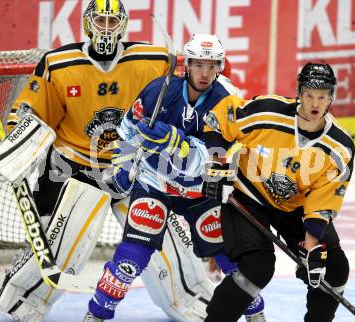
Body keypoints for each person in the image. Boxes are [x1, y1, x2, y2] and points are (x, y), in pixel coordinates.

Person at [0, 1, 170, 321]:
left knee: (165, 242)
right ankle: (23, 299)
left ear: (123, 24)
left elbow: (179, 96)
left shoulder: (154, 60)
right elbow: (31, 110)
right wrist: (17, 136)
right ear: (88, 24)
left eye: (112, 20)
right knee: (62, 246)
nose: (106, 27)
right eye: (100, 20)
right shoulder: (59, 63)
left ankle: (189, 299)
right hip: (74, 167)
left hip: (131, 166)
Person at [83, 34, 266, 322]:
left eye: (212, 66)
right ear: (187, 65)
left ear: (220, 67)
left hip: (200, 191)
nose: (205, 73)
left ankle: (256, 314)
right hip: (155, 183)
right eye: (199, 65)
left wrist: (174, 142)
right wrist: (124, 162)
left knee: (229, 255)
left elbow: (215, 155)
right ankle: (96, 315)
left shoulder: (227, 102)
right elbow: (128, 131)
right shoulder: (158, 91)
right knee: (132, 256)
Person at [200, 62, 354, 322]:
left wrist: (311, 248)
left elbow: (322, 200)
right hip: (248, 196)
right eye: (309, 95)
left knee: (334, 268)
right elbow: (218, 122)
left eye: (322, 96)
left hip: (295, 208)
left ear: (331, 97)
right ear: (299, 93)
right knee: (258, 267)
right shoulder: (268, 113)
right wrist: (218, 164)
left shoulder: (339, 148)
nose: (315, 104)